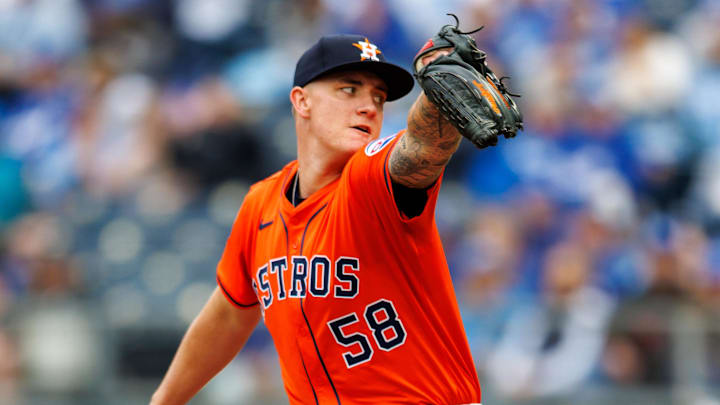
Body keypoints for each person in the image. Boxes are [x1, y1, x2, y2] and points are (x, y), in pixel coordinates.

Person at [150, 34, 484, 404]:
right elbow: (229, 316)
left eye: (378, 97)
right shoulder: (260, 204)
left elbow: (420, 148)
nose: (369, 107)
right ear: (301, 100)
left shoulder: (372, 179)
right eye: (349, 89)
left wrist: (441, 98)